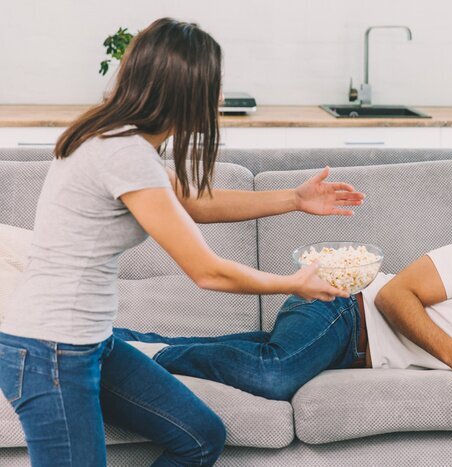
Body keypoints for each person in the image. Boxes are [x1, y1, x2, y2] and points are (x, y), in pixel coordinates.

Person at [0, 18, 363, 467]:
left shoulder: (125, 142)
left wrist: (293, 198)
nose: (220, 98)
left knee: (199, 435)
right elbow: (206, 271)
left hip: (91, 342)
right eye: (215, 86)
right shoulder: (122, 152)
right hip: (49, 352)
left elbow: (191, 201)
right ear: (186, 91)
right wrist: (293, 283)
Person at [114, 237, 452, 402]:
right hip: (343, 306)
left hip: (347, 350)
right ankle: (148, 356)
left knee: (261, 356)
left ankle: (122, 342)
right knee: (273, 372)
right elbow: (394, 296)